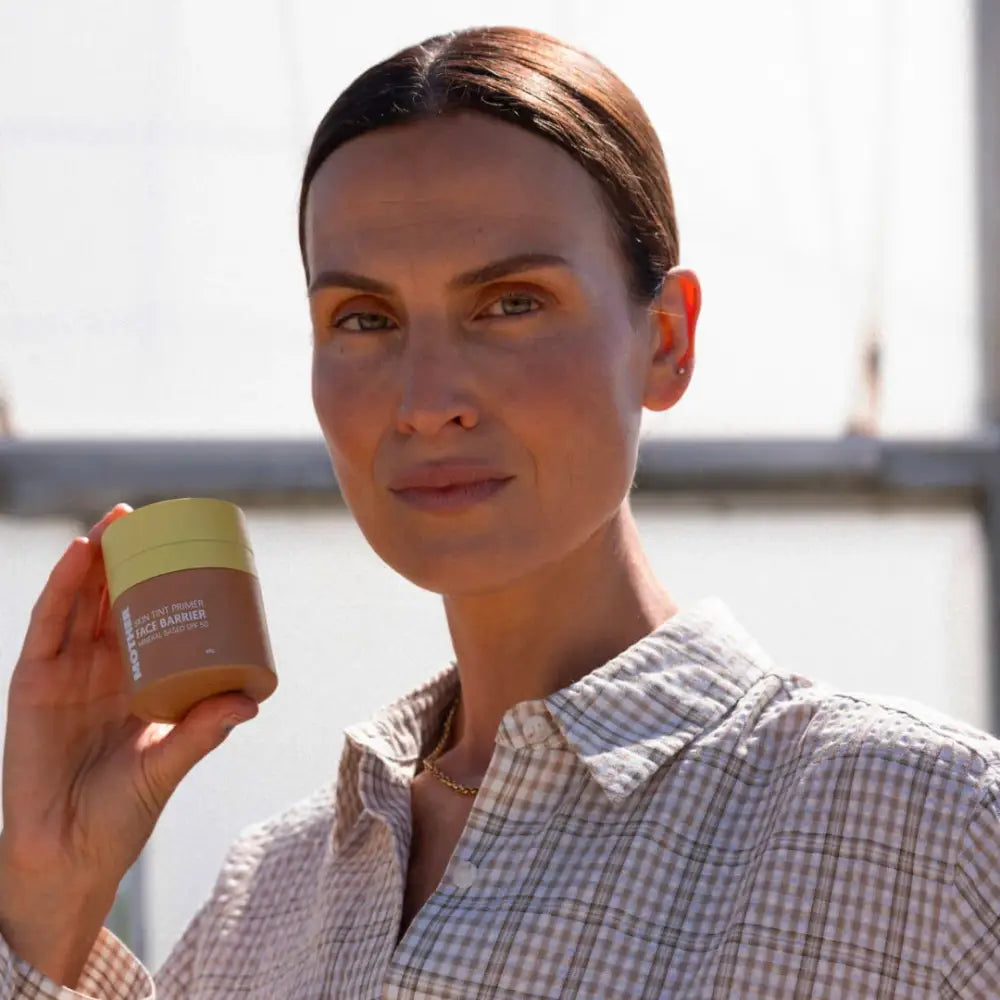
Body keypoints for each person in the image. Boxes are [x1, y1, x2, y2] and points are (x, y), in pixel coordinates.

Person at [2, 22, 999, 999]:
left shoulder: (931, 834)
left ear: (666, 340)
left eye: (510, 301)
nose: (427, 395)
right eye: (363, 318)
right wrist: (51, 897)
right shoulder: (266, 903)